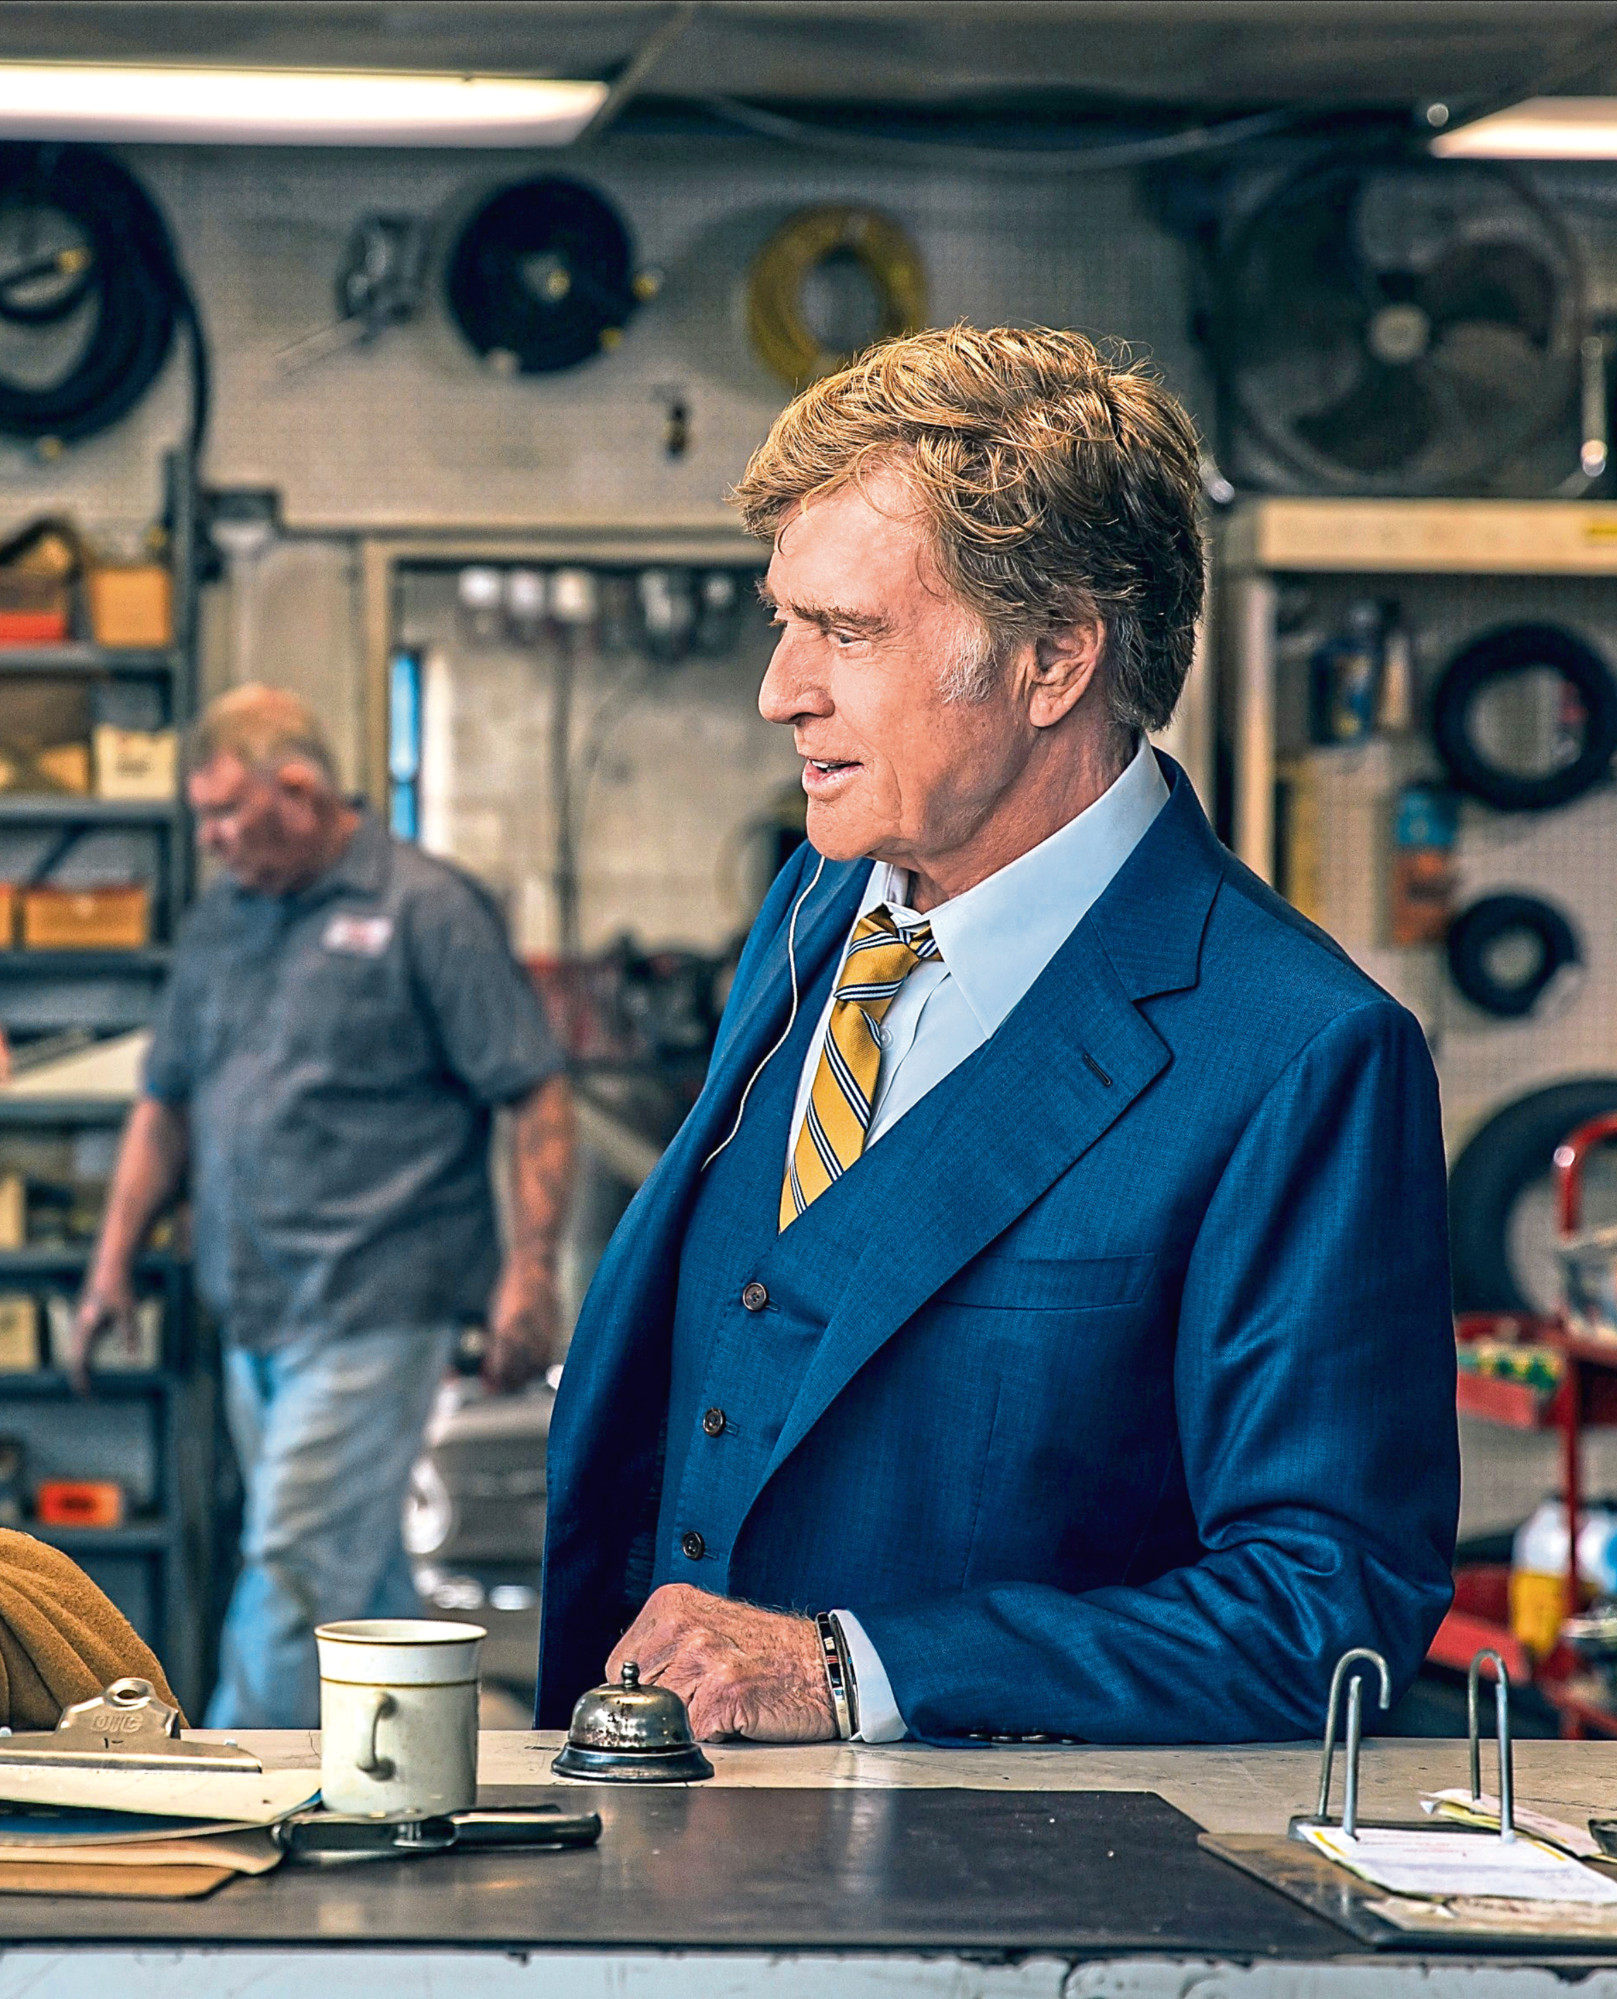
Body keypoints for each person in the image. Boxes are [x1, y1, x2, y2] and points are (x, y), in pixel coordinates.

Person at [539, 326, 1455, 1745]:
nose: (779, 689)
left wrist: (857, 1670)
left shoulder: (1298, 1054)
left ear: (1052, 658)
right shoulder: (819, 906)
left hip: (1000, 1911)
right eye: (786, 622)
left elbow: (1321, 1615)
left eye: (846, 632)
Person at [78, 685, 575, 1728]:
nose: (210, 840)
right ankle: (419, 1764)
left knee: (293, 1564)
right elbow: (164, 1098)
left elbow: (532, 1091)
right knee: (356, 1573)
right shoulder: (223, 917)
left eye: (225, 815)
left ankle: (213, 1796)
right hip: (255, 1308)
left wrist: (532, 1271)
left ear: (297, 789)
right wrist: (111, 1260)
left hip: (375, 1304)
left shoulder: (424, 907)